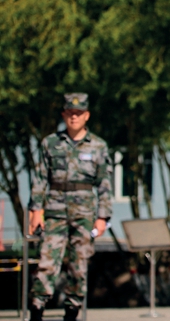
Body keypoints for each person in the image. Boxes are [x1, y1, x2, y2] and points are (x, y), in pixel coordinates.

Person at [28, 93, 112, 321]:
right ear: (64, 115)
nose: (74, 117)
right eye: (70, 113)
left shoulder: (98, 146)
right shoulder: (50, 143)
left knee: (79, 265)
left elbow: (104, 184)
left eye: (78, 113)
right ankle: (37, 309)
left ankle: (72, 312)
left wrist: (103, 217)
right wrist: (35, 211)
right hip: (55, 212)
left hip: (84, 214)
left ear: (87, 115)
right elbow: (40, 179)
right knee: (47, 263)